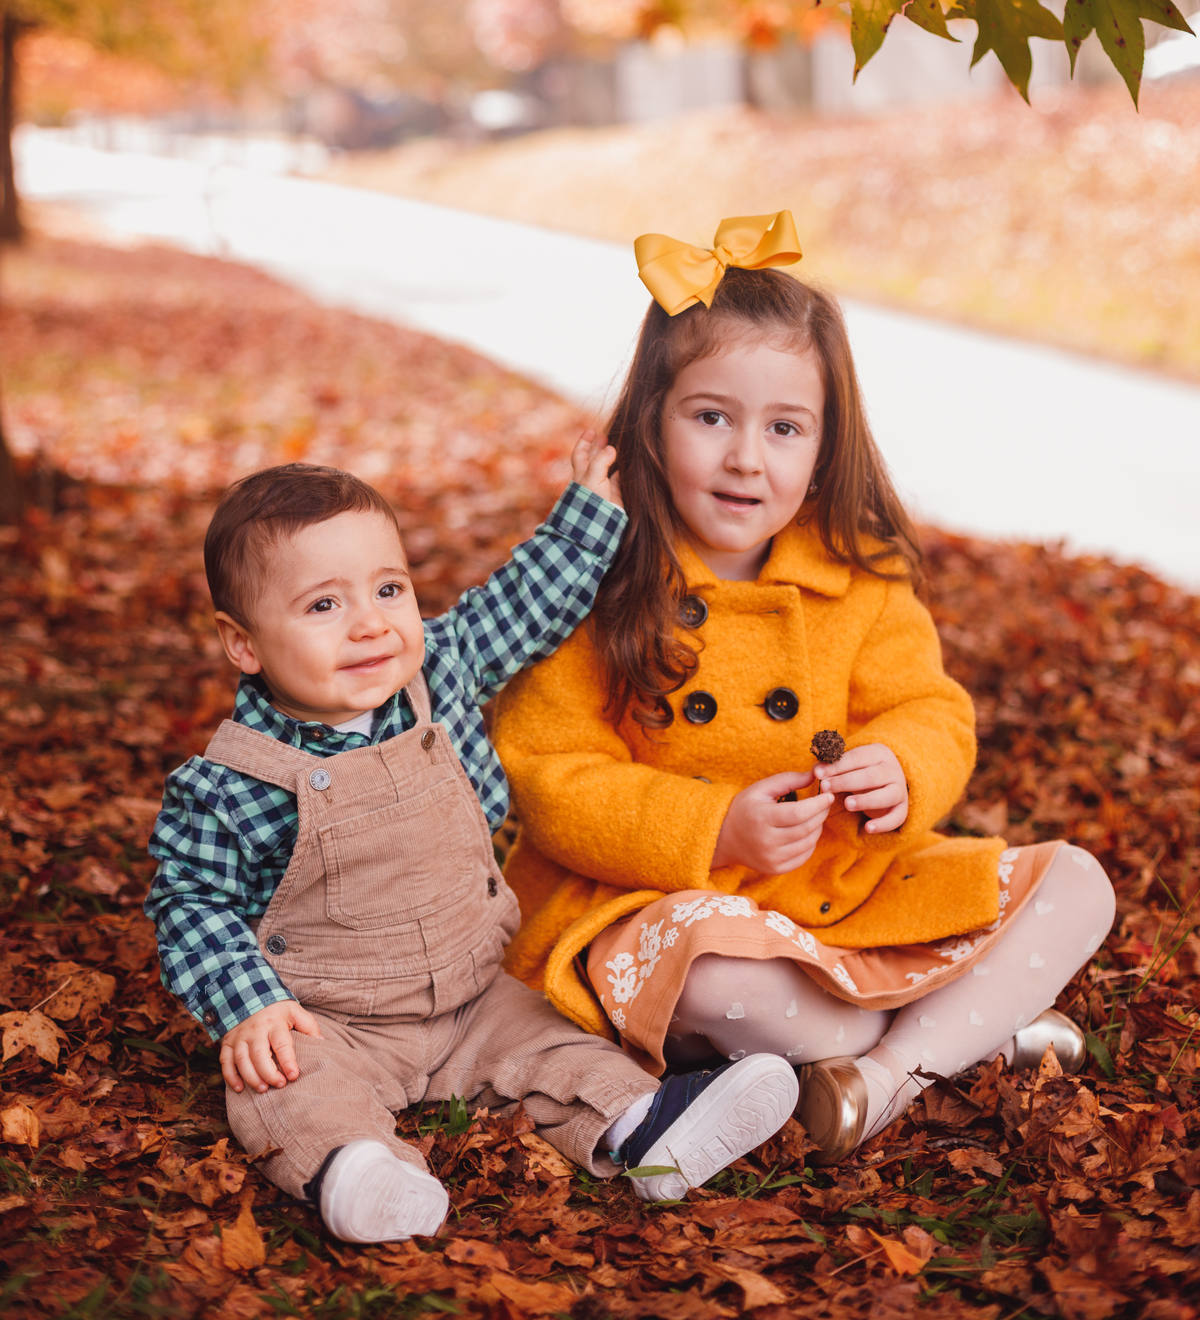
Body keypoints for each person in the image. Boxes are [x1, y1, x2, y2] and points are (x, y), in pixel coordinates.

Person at [493, 213, 1116, 1163]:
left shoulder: (854, 577)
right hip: (666, 904)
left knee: (1079, 884)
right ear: (651, 426)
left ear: (823, 447)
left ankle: (882, 1075)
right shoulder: (599, 577)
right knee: (713, 989)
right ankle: (963, 1042)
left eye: (784, 428)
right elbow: (547, 773)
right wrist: (713, 828)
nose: (748, 457)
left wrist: (903, 768)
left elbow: (929, 708)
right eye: (712, 418)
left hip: (839, 885)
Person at [146, 444, 799, 1245]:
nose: (370, 623)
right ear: (243, 644)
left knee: (555, 1042)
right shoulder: (233, 782)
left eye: (390, 589)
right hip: (335, 1020)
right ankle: (359, 1168)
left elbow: (523, 604)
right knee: (282, 1083)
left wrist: (589, 512)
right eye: (323, 606)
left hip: (474, 992)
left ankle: (644, 1127)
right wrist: (252, 1007)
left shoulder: (440, 670)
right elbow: (190, 900)